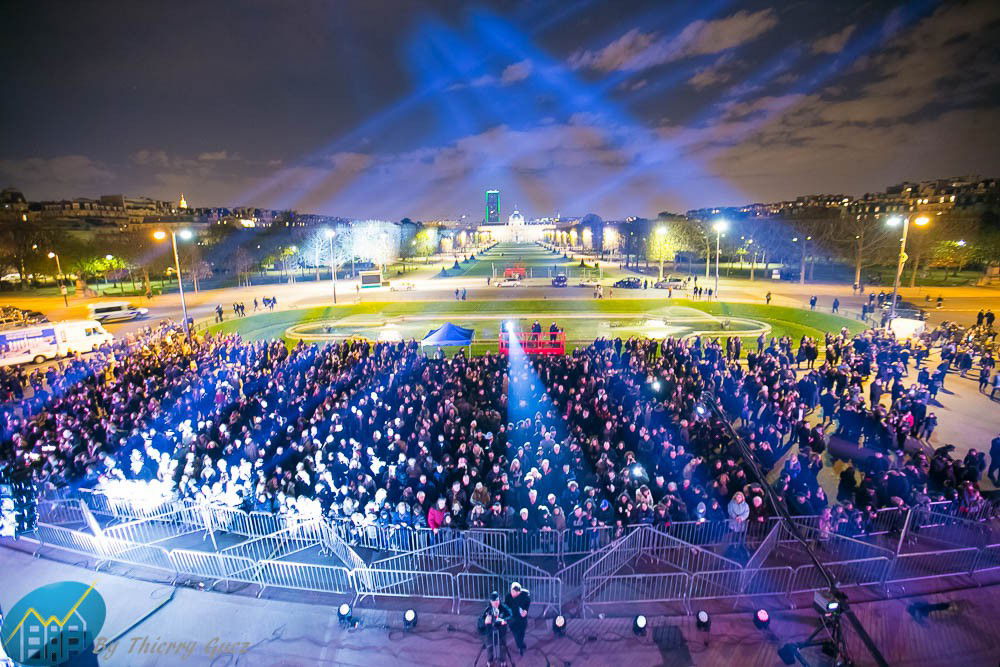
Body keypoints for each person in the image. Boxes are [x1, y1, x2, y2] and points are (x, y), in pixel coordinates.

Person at [477, 591, 512, 663]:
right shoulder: (487, 610)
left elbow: (511, 616)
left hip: (502, 631)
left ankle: (503, 661)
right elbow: (480, 623)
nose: (496, 602)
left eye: (497, 600)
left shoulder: (503, 608)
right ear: (490, 601)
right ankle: (490, 660)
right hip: (490, 631)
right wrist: (485, 622)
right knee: (489, 645)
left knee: (502, 646)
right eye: (494, 601)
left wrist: (504, 620)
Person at [504, 582, 531, 656]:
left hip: (522, 619)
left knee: (521, 633)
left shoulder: (525, 597)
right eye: (512, 591)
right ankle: (520, 646)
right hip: (512, 619)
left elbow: (527, 604)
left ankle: (521, 644)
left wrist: (525, 611)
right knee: (516, 634)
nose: (513, 593)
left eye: (516, 592)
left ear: (519, 591)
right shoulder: (508, 597)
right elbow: (505, 607)